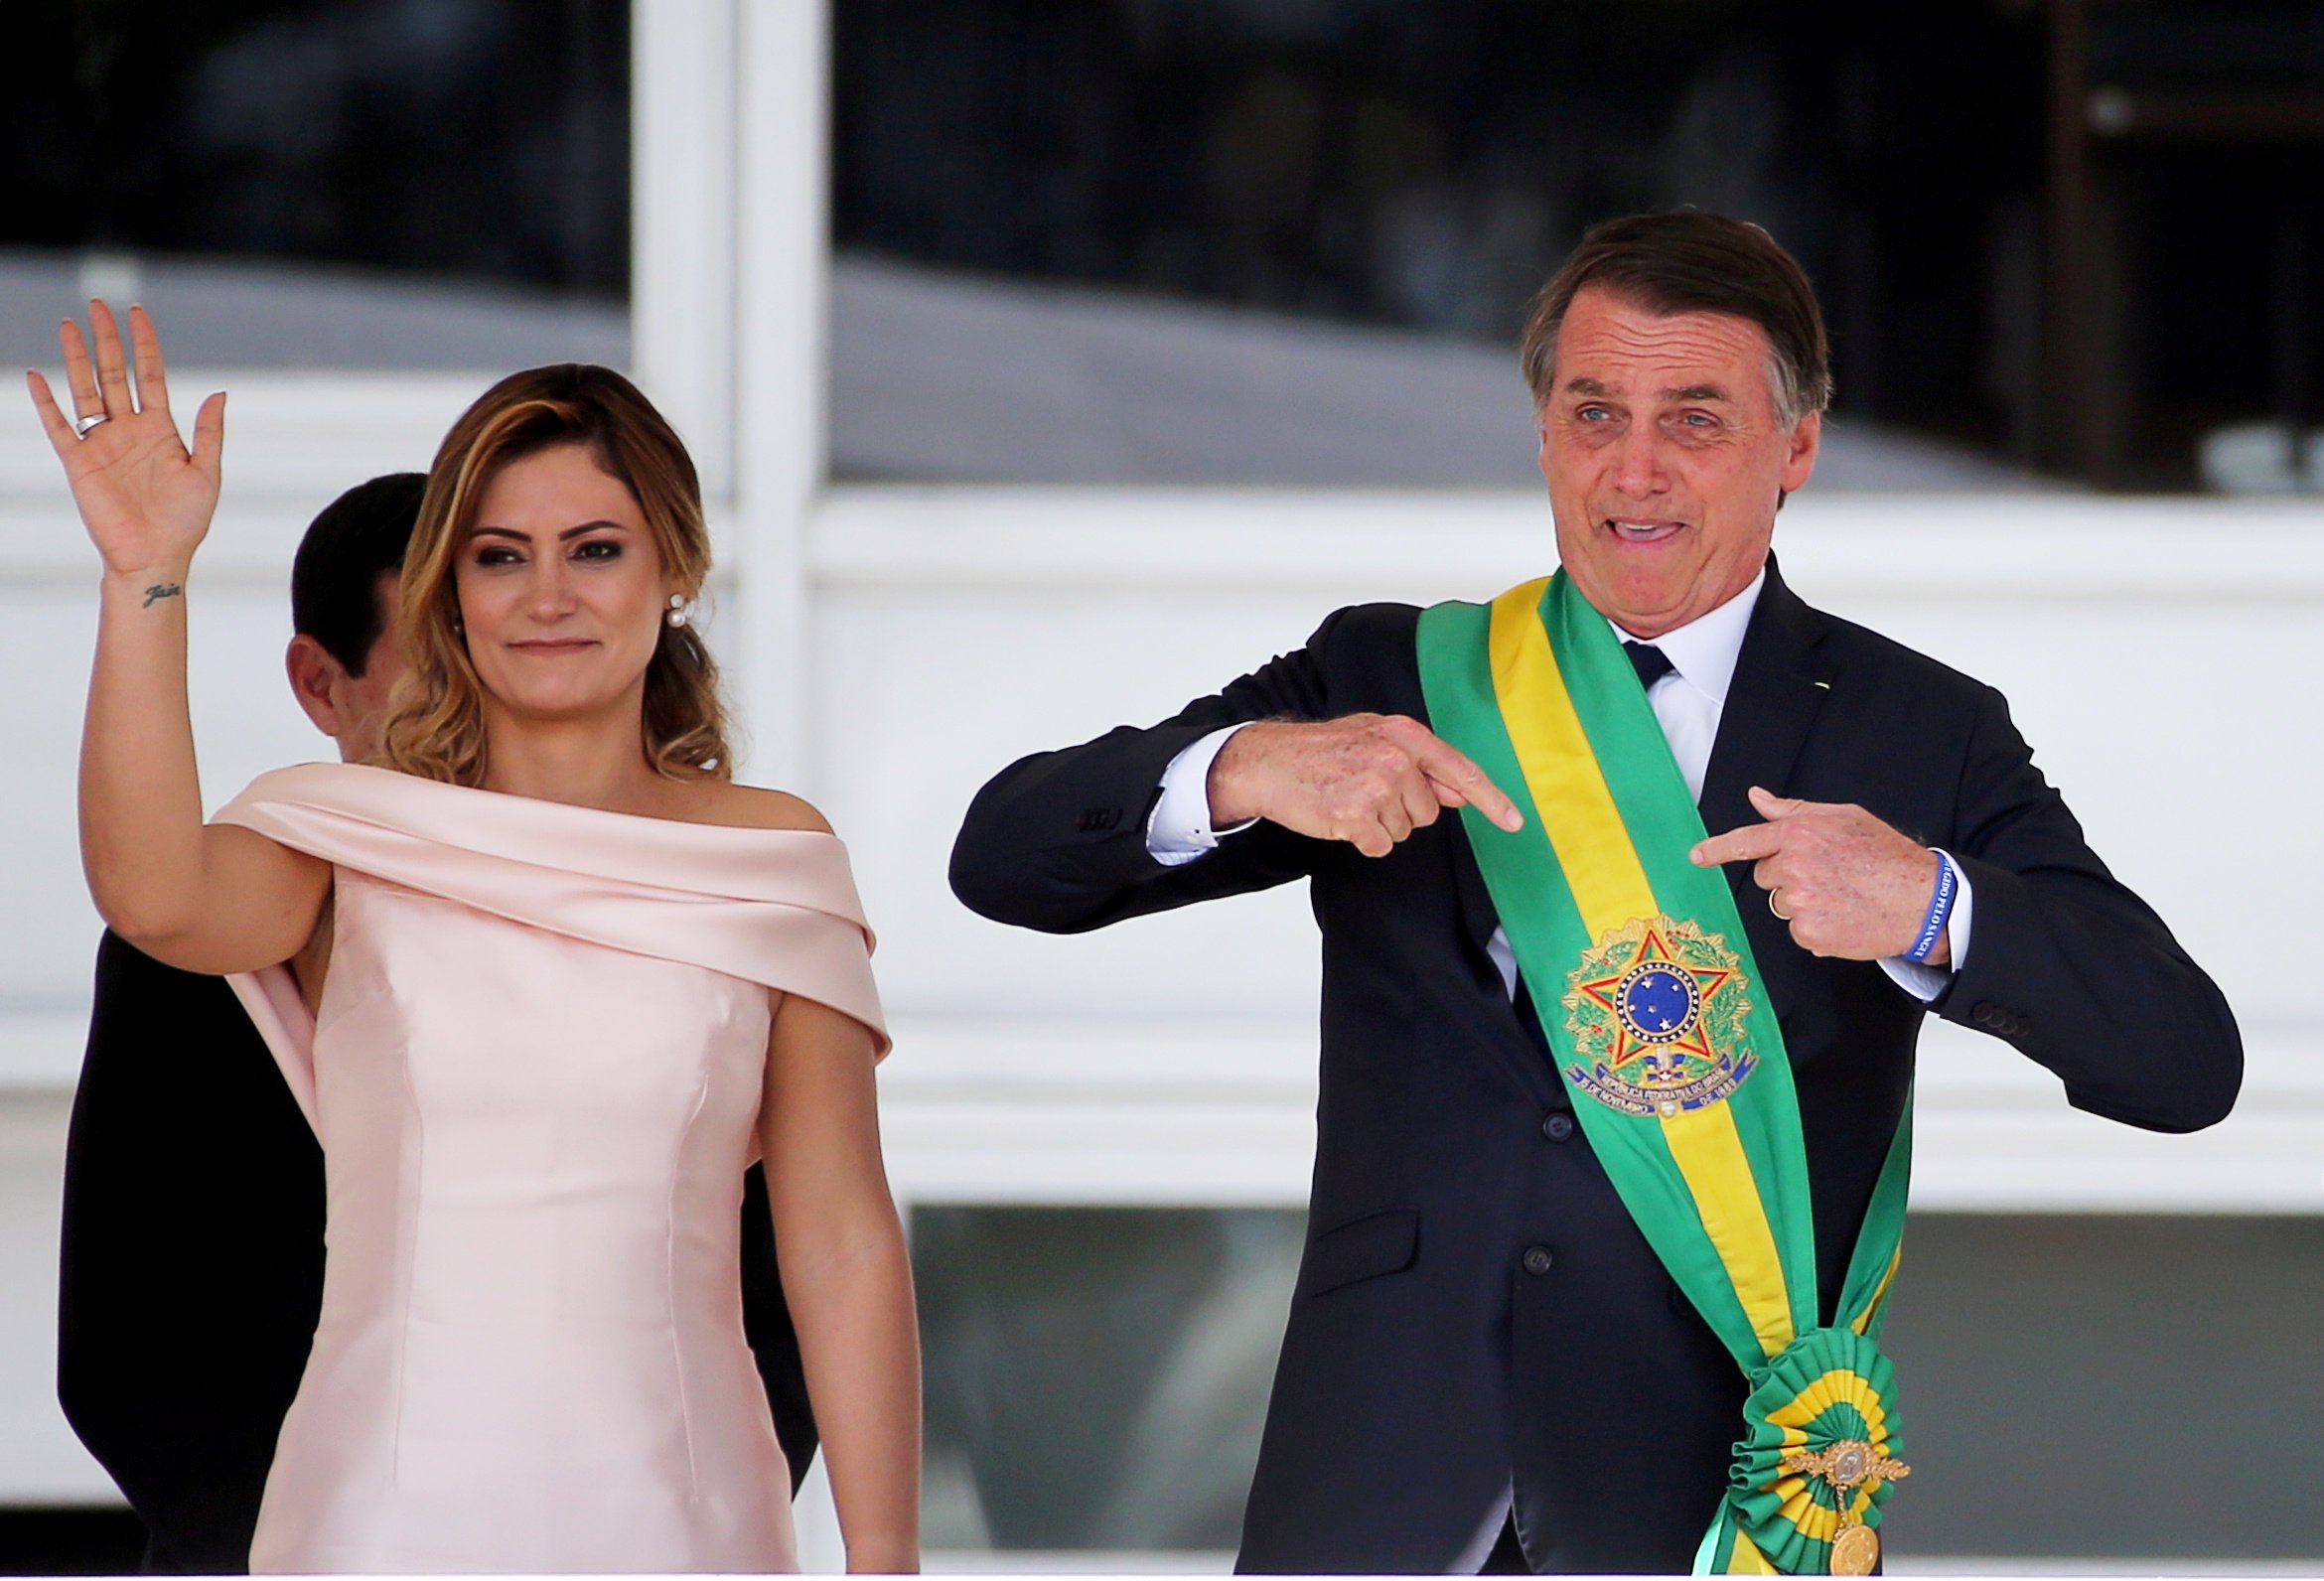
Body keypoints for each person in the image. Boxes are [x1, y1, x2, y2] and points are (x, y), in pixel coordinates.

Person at [948, 214, 2242, 1575]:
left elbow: (2184, 1061)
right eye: (1594, 412)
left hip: (1702, 1495)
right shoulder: (1399, 675)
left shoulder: (1920, 732)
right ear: (1545, 431)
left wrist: (1934, 904)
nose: (1635, 469)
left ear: (1797, 446)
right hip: (1384, 1474)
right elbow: (1002, 858)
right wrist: (1240, 770)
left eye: (1695, 418)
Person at [30, 304, 920, 1574]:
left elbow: (839, 1236)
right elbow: (155, 893)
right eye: (501, 556)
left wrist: (886, 1560)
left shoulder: (772, 854)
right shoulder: (348, 835)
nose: (547, 596)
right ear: (452, 582)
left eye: (594, 548)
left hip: (686, 1512)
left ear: (670, 566)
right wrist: (143, 575)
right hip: (375, 1517)